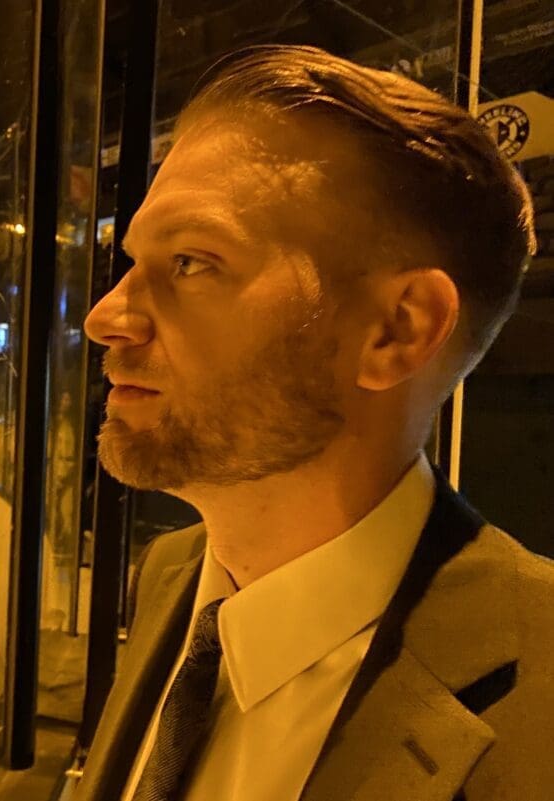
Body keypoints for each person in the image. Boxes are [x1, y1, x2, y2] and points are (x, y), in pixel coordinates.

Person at [75, 45, 554, 801]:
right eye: (131, 262)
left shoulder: (541, 707)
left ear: (395, 330)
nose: (105, 317)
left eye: (192, 262)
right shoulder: (172, 576)